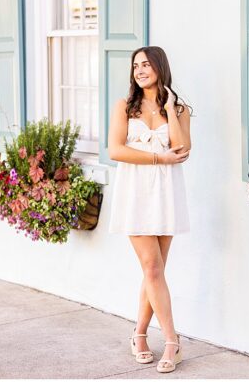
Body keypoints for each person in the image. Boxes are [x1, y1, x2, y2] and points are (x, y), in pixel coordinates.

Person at [107, 46, 192, 374]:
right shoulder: (124, 106)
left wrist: (170, 109)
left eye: (145, 64)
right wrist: (158, 158)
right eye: (135, 65)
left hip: (166, 193)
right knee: (152, 267)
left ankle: (139, 334)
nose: (140, 70)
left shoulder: (180, 108)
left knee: (153, 271)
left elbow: (182, 149)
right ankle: (172, 341)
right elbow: (115, 150)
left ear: (159, 67)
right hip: (135, 193)